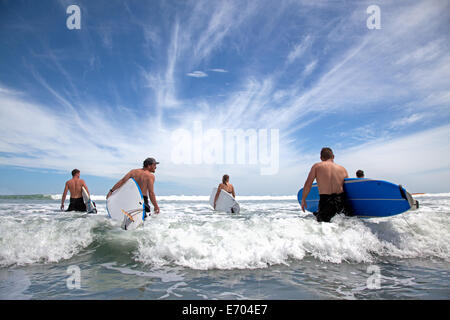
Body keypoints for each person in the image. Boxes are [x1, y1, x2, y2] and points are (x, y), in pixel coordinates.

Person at [300, 147, 351, 222]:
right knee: (342, 223)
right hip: (341, 200)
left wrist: (303, 199)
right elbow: (348, 187)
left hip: (326, 200)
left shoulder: (317, 166)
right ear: (333, 156)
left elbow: (308, 183)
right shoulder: (342, 169)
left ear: (321, 158)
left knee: (323, 224)